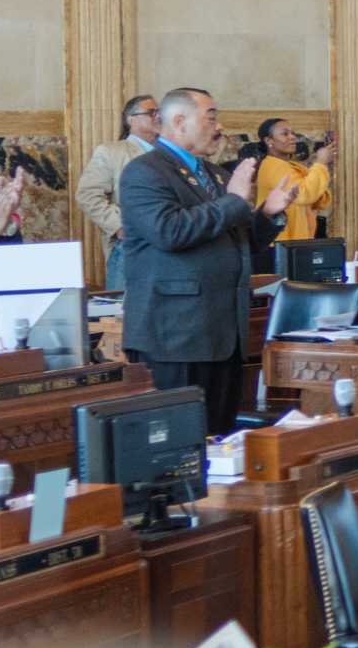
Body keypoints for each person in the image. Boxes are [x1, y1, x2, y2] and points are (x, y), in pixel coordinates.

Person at [118, 88, 294, 434]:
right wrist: (232, 201)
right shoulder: (144, 172)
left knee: (220, 441)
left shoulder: (214, 174)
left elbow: (241, 240)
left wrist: (268, 213)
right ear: (179, 121)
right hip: (175, 336)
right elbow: (169, 232)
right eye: (211, 116)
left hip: (222, 333)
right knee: (180, 446)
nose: (219, 125)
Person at [75, 94, 160, 291]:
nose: (157, 116)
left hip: (166, 244)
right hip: (130, 248)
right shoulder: (112, 152)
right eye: (150, 112)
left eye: (159, 112)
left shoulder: (169, 154)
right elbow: (87, 195)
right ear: (130, 119)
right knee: (125, 313)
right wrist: (120, 226)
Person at [253, 118, 335, 242]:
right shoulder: (272, 165)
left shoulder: (294, 167)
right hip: (280, 244)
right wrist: (320, 163)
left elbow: (320, 201)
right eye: (285, 134)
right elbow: (304, 195)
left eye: (293, 133)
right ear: (269, 140)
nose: (293, 137)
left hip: (297, 241)